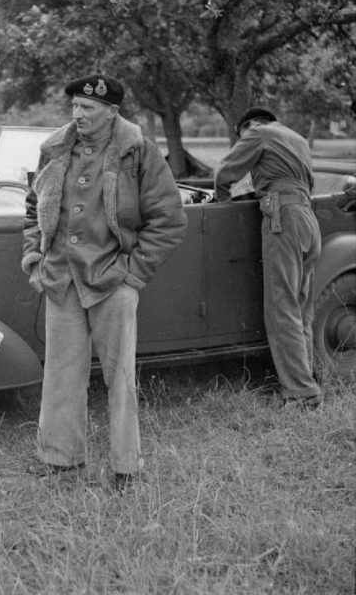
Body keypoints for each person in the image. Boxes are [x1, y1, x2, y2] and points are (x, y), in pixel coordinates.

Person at [21, 74, 188, 491]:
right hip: (62, 280)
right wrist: (34, 257)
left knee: (120, 379)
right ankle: (60, 461)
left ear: (112, 112)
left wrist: (133, 275)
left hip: (113, 281)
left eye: (89, 109)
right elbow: (33, 206)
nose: (79, 115)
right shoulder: (55, 150)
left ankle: (125, 468)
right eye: (75, 107)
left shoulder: (138, 152)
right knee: (60, 375)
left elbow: (169, 220)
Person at [215, 107, 322, 409]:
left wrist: (222, 201)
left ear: (249, 126)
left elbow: (224, 173)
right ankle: (306, 378)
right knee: (301, 307)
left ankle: (302, 394)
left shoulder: (257, 134)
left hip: (282, 217)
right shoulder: (297, 138)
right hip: (306, 216)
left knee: (281, 307)